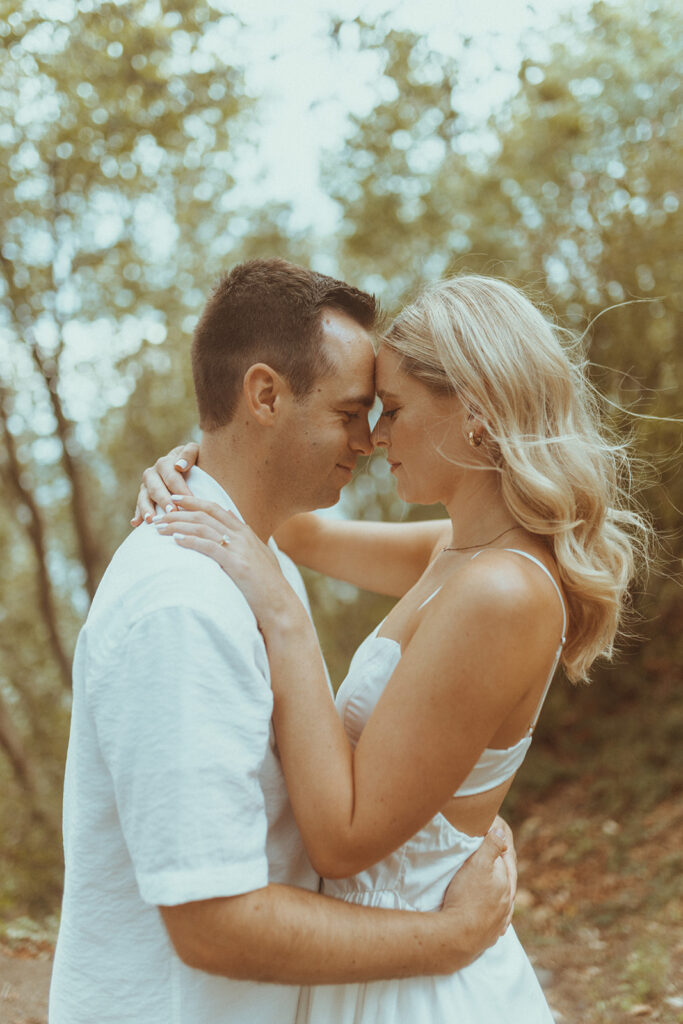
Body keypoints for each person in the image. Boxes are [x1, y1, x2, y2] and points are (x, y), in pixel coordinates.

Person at [142, 273, 648, 1022]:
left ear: (474, 413)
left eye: (395, 410)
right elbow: (293, 525)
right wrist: (192, 463)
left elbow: (343, 841)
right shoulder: (454, 551)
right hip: (376, 955)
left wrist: (284, 616)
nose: (374, 438)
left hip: (419, 989)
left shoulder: (501, 593)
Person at [49, 260, 516, 1024]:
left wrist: (454, 824)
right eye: (351, 411)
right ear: (265, 395)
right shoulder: (182, 605)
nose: (368, 441)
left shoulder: (256, 557)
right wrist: (447, 937)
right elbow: (212, 922)